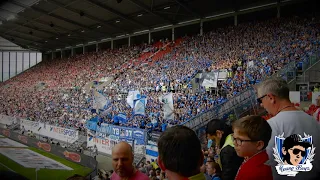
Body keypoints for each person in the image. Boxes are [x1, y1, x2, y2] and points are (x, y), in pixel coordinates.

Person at [256, 78, 320, 179]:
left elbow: (263, 165)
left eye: (260, 100)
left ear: (271, 97)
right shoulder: (313, 122)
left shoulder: (269, 126)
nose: (261, 104)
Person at [232, 115, 273, 180]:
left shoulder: (252, 173)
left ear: (259, 145)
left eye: (239, 140)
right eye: (234, 138)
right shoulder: (253, 159)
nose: (234, 143)